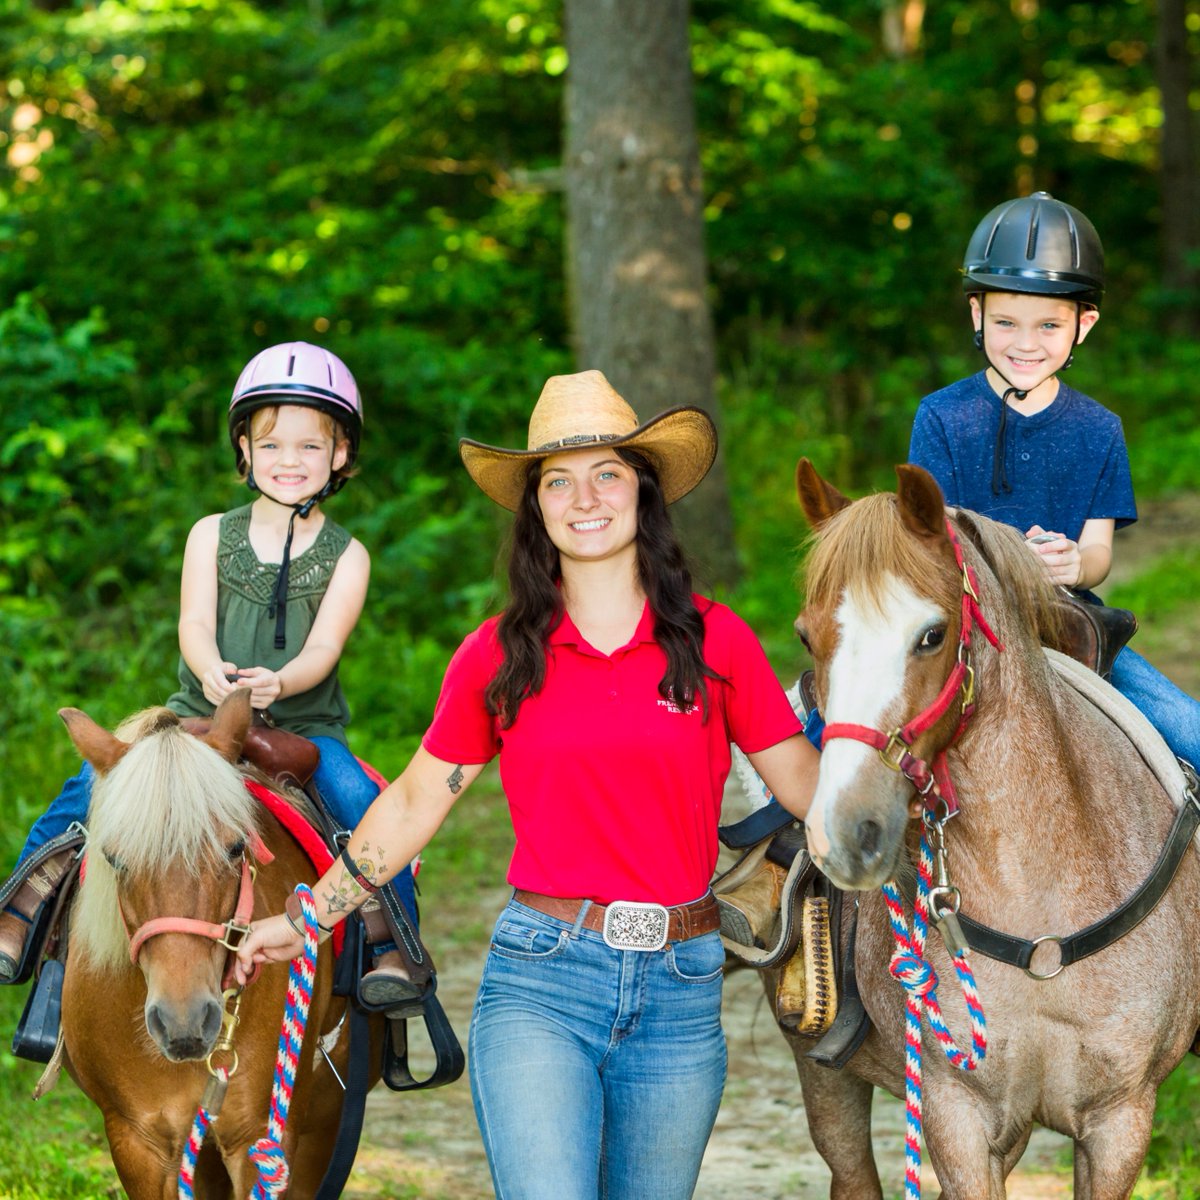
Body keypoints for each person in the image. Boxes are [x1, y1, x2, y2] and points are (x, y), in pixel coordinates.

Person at [235, 369, 820, 1200]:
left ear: (643, 491)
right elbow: (410, 804)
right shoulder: (500, 655)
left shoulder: (717, 641)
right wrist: (306, 916)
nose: (585, 498)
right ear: (537, 506)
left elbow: (808, 789)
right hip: (543, 979)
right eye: (558, 481)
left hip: (683, 985)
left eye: (607, 473)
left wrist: (911, 790)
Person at [0, 342, 423, 1007]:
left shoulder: (349, 556)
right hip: (195, 714)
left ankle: (397, 950)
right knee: (88, 784)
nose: (290, 461)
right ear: (245, 451)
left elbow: (325, 646)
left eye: (311, 447)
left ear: (341, 454)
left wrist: (278, 684)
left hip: (301, 725)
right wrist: (212, 671)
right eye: (272, 444)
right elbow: (194, 622)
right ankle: (22, 907)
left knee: (361, 805)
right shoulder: (210, 535)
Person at [909, 190, 1200, 768]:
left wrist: (1074, 565)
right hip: (961, 622)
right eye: (1006, 322)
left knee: (1188, 729)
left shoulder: (1100, 429)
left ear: (1082, 326)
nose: (1024, 343)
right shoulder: (941, 416)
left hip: (1068, 622)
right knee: (837, 730)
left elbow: (1098, 552)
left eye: (1048, 325)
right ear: (977, 315)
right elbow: (928, 541)